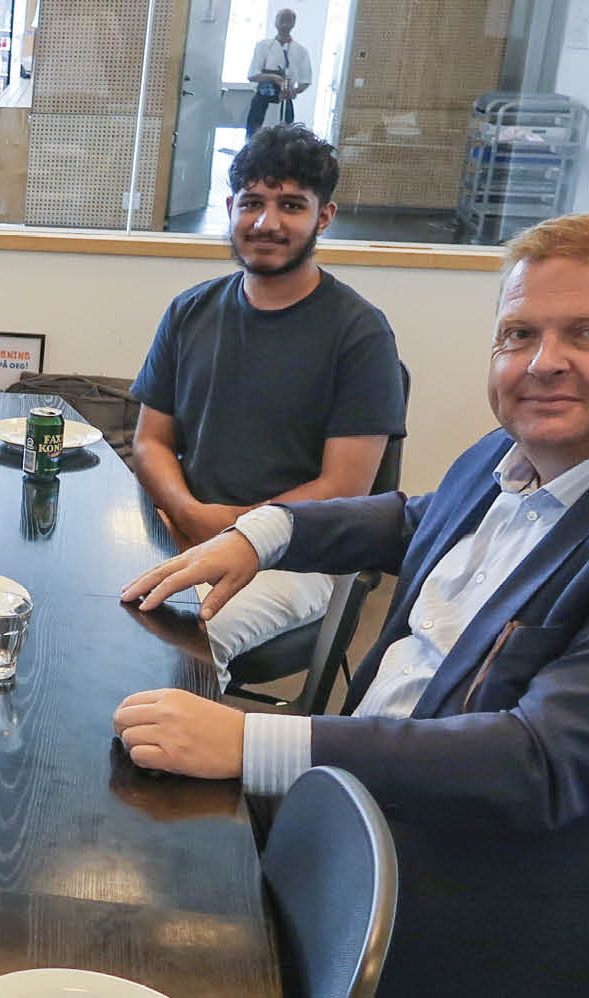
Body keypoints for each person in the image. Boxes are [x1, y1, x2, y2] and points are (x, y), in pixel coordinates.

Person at [114, 213, 589, 996]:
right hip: (360, 799)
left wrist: (258, 743)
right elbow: (413, 518)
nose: (543, 363)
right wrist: (261, 532)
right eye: (517, 334)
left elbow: (537, 764)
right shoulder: (519, 449)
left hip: (483, 908)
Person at [130, 124, 405, 682]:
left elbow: (342, 491)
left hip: (299, 552)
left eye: (291, 206)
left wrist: (233, 528)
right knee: (87, 607)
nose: (266, 223)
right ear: (231, 207)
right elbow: (150, 440)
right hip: (183, 527)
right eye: (252, 203)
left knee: (173, 638)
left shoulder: (360, 334)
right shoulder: (190, 311)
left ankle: (186, 760)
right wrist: (186, 512)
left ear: (322, 217)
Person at [245, 8, 311, 137]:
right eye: (282, 21)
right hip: (262, 99)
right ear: (276, 22)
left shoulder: (300, 51)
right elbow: (252, 75)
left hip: (285, 99)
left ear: (293, 24)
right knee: (255, 137)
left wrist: (294, 91)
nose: (285, 25)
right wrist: (275, 78)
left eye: (288, 21)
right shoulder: (263, 46)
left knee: (284, 138)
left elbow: (305, 80)